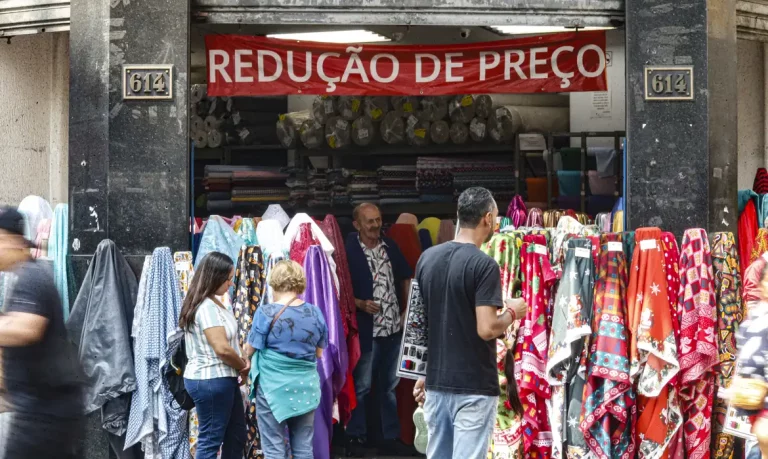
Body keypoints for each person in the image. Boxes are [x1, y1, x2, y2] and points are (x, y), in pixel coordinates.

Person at [412, 188, 527, 459]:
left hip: (437, 383)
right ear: (487, 218)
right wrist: (512, 312)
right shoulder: (483, 265)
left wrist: (419, 374)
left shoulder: (426, 258)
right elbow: (486, 328)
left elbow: (417, 324)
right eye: (496, 217)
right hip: (473, 386)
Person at [0, 207, 85, 458]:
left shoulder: (32, 277)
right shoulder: (22, 277)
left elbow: (27, 329)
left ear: (12, 240)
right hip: (41, 411)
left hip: (45, 414)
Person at [345, 202, 414, 456]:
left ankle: (389, 436)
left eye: (377, 220)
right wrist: (360, 304)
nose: (375, 225)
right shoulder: (349, 250)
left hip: (392, 330)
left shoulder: (389, 246)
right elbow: (338, 290)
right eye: (369, 221)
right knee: (362, 386)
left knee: (388, 387)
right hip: (366, 331)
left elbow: (406, 274)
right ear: (357, 225)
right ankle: (356, 437)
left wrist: (406, 308)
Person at [244, 259, 328, 459]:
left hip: (273, 389)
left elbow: (250, 350)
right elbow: (318, 353)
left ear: (275, 281)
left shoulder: (266, 312)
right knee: (304, 449)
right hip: (306, 388)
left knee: (274, 450)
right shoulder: (315, 313)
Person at [178, 251, 248, 459]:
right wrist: (242, 365)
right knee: (210, 440)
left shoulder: (214, 303)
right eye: (228, 279)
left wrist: (240, 359)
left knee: (236, 434)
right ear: (214, 277)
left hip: (220, 379)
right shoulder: (206, 307)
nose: (230, 283)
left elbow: (231, 341)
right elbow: (222, 349)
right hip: (211, 379)